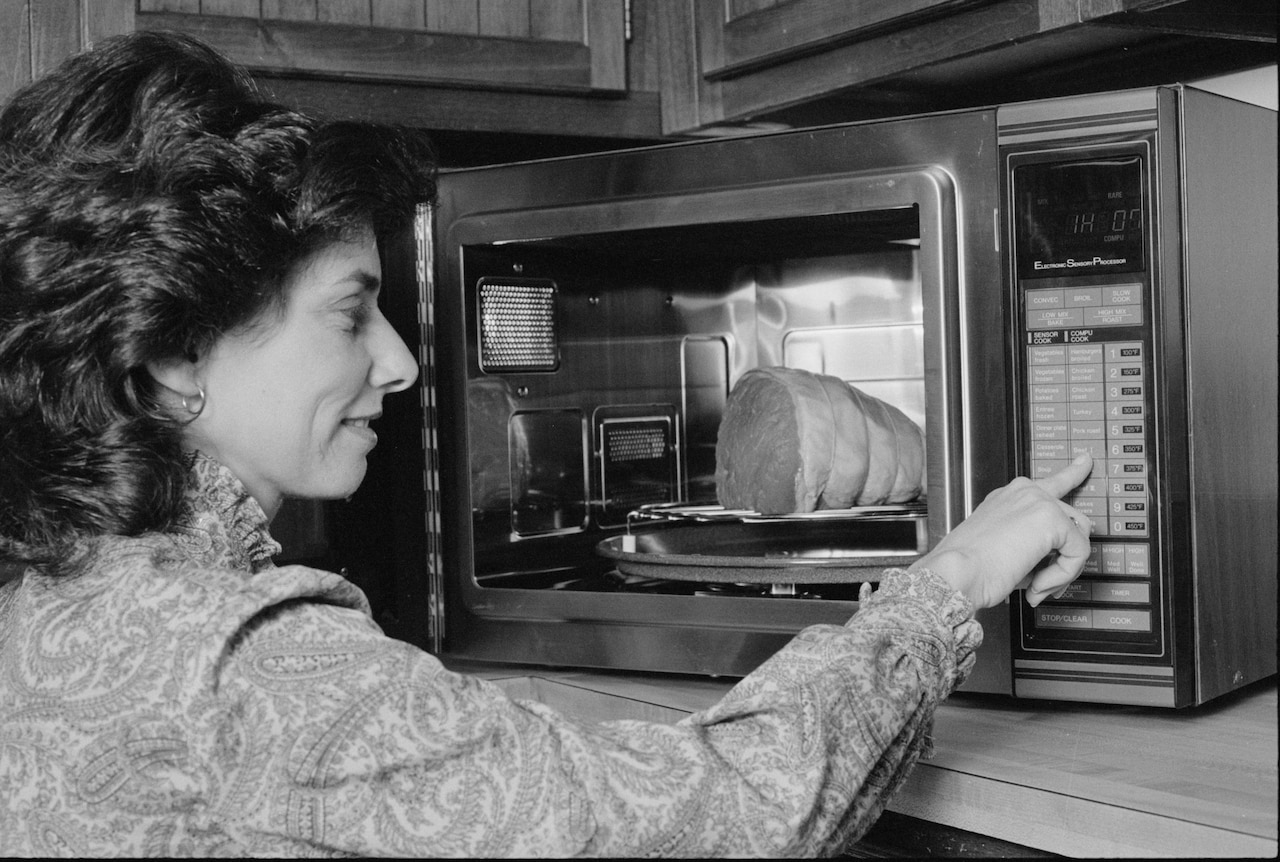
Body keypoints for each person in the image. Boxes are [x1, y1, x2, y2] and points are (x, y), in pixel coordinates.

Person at [0, 31, 1095, 858]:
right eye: (349, 312)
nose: (401, 364)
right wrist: (949, 576)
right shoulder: (241, 657)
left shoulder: (56, 592)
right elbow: (718, 818)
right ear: (173, 355)